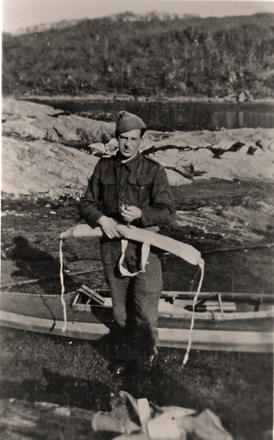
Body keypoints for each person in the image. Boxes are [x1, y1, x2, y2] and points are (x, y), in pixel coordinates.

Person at [79, 111, 175, 373]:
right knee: (120, 310)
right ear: (116, 138)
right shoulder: (104, 166)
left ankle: (145, 362)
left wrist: (143, 214)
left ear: (142, 139)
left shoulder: (154, 171)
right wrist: (101, 220)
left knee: (145, 309)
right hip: (112, 249)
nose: (128, 144)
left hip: (146, 250)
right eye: (123, 138)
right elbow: (86, 203)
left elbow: (167, 212)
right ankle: (123, 359)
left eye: (134, 138)